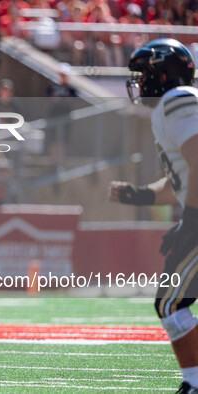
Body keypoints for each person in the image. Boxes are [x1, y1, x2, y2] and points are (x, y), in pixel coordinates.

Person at [109, 38, 198, 393]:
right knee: (170, 301)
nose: (139, 83)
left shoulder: (177, 101)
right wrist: (141, 194)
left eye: (143, 74)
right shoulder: (176, 106)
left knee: (171, 302)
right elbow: (182, 175)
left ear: (162, 74)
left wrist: (190, 223)